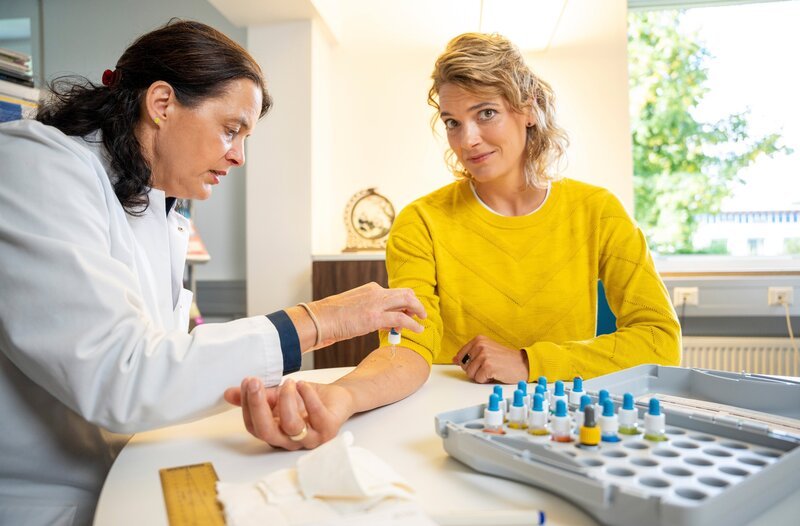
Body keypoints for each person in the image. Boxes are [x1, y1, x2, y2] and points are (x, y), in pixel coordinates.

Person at [0, 20, 425, 526]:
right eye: (230, 129)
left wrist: (251, 391)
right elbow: (122, 375)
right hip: (47, 500)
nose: (239, 156)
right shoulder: (35, 167)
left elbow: (165, 356)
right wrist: (318, 320)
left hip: (128, 467)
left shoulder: (152, 198)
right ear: (161, 103)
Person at [229, 32, 681, 451]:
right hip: (454, 424)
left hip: (563, 424)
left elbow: (660, 340)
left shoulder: (597, 211)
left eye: (486, 113)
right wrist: (340, 397)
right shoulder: (422, 221)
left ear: (528, 110)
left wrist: (528, 363)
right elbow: (408, 347)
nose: (468, 140)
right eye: (451, 121)